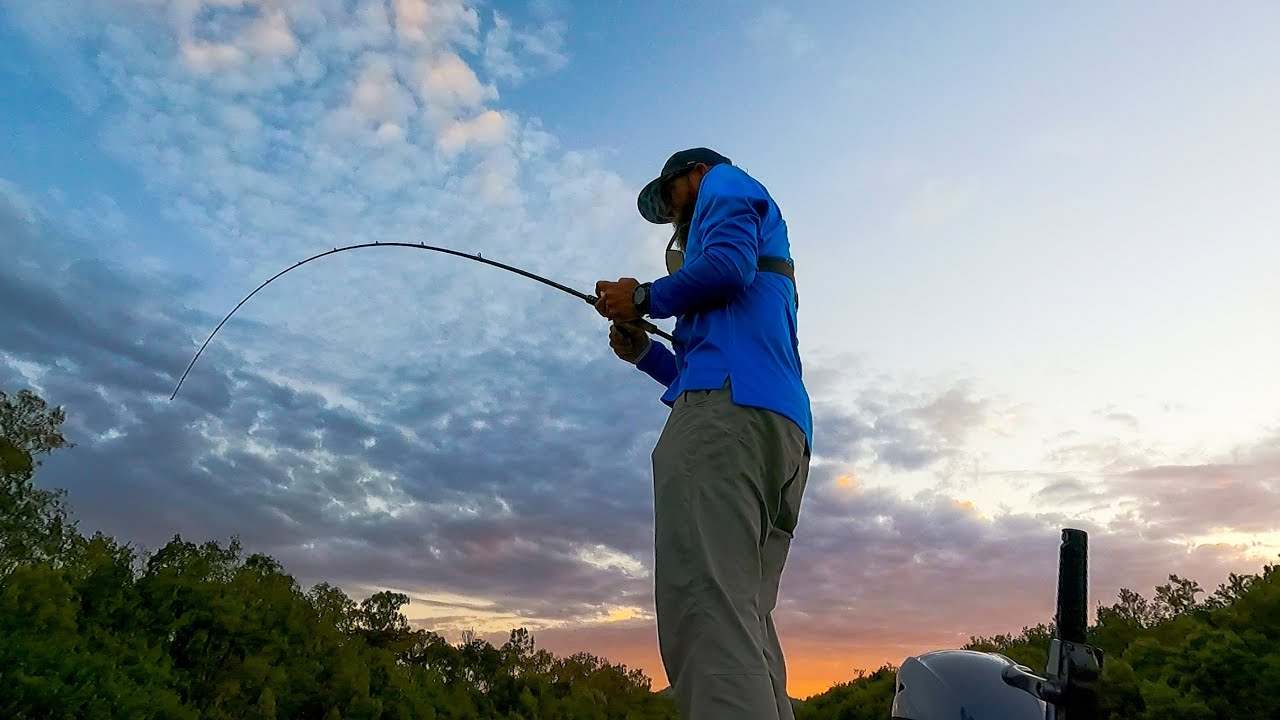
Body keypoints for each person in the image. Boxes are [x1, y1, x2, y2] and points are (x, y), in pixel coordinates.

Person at [594, 148, 813, 720]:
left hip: (729, 425)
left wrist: (643, 297)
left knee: (707, 615)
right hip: (775, 431)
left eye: (670, 198)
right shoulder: (754, 263)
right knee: (745, 619)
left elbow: (727, 267)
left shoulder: (725, 184)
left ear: (695, 175)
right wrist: (644, 351)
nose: (671, 217)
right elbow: (700, 373)